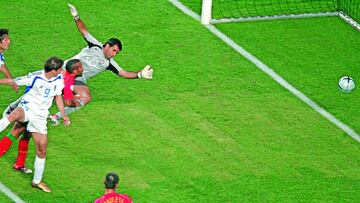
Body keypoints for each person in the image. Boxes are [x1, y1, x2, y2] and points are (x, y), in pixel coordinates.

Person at [49, 3, 154, 125]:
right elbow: (84, 31)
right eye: (114, 50)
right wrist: (76, 17)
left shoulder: (109, 63)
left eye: (117, 53)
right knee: (43, 90)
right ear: (107, 45)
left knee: (86, 97)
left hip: (78, 78)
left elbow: (124, 73)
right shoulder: (95, 45)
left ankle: (57, 116)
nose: (114, 54)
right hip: (65, 69)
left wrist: (140, 74)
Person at [0, 59, 84, 174]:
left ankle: (20, 164)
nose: (83, 69)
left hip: (35, 102)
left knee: (24, 133)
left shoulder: (60, 75)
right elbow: (67, 101)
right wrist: (78, 101)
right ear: (74, 70)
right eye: (80, 67)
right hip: (32, 104)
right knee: (17, 131)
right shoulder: (65, 78)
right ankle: (19, 164)